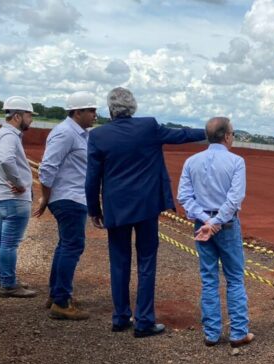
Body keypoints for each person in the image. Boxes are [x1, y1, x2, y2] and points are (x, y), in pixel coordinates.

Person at [85, 87, 206, 337]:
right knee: (146, 262)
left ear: (110, 109)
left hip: (116, 208)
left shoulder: (98, 136)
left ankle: (120, 317)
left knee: (119, 263)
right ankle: (144, 321)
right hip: (147, 207)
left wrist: (94, 209)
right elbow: (181, 135)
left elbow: (92, 178)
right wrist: (210, 132)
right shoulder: (148, 127)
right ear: (134, 107)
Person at [177, 117, 253, 348]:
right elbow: (234, 198)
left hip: (202, 226)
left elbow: (184, 197)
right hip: (226, 225)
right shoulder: (236, 161)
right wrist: (217, 222)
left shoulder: (191, 161)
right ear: (227, 136)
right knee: (234, 278)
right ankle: (238, 332)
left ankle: (211, 333)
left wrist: (206, 221)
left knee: (209, 279)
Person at [34, 91, 98, 320]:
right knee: (72, 246)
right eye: (90, 110)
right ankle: (61, 301)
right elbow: (47, 168)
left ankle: (56, 294)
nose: (94, 114)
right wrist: (45, 197)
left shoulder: (81, 134)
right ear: (77, 111)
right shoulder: (65, 133)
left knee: (66, 246)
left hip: (72, 197)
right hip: (68, 198)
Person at [0, 96, 38, 298]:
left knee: (0, 241)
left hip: (2, 196)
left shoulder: (0, 134)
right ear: (17, 116)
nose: (31, 119)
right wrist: (18, 183)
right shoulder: (10, 136)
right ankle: (9, 283)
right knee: (9, 243)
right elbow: (7, 159)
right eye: (28, 115)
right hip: (14, 198)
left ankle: (4, 279)